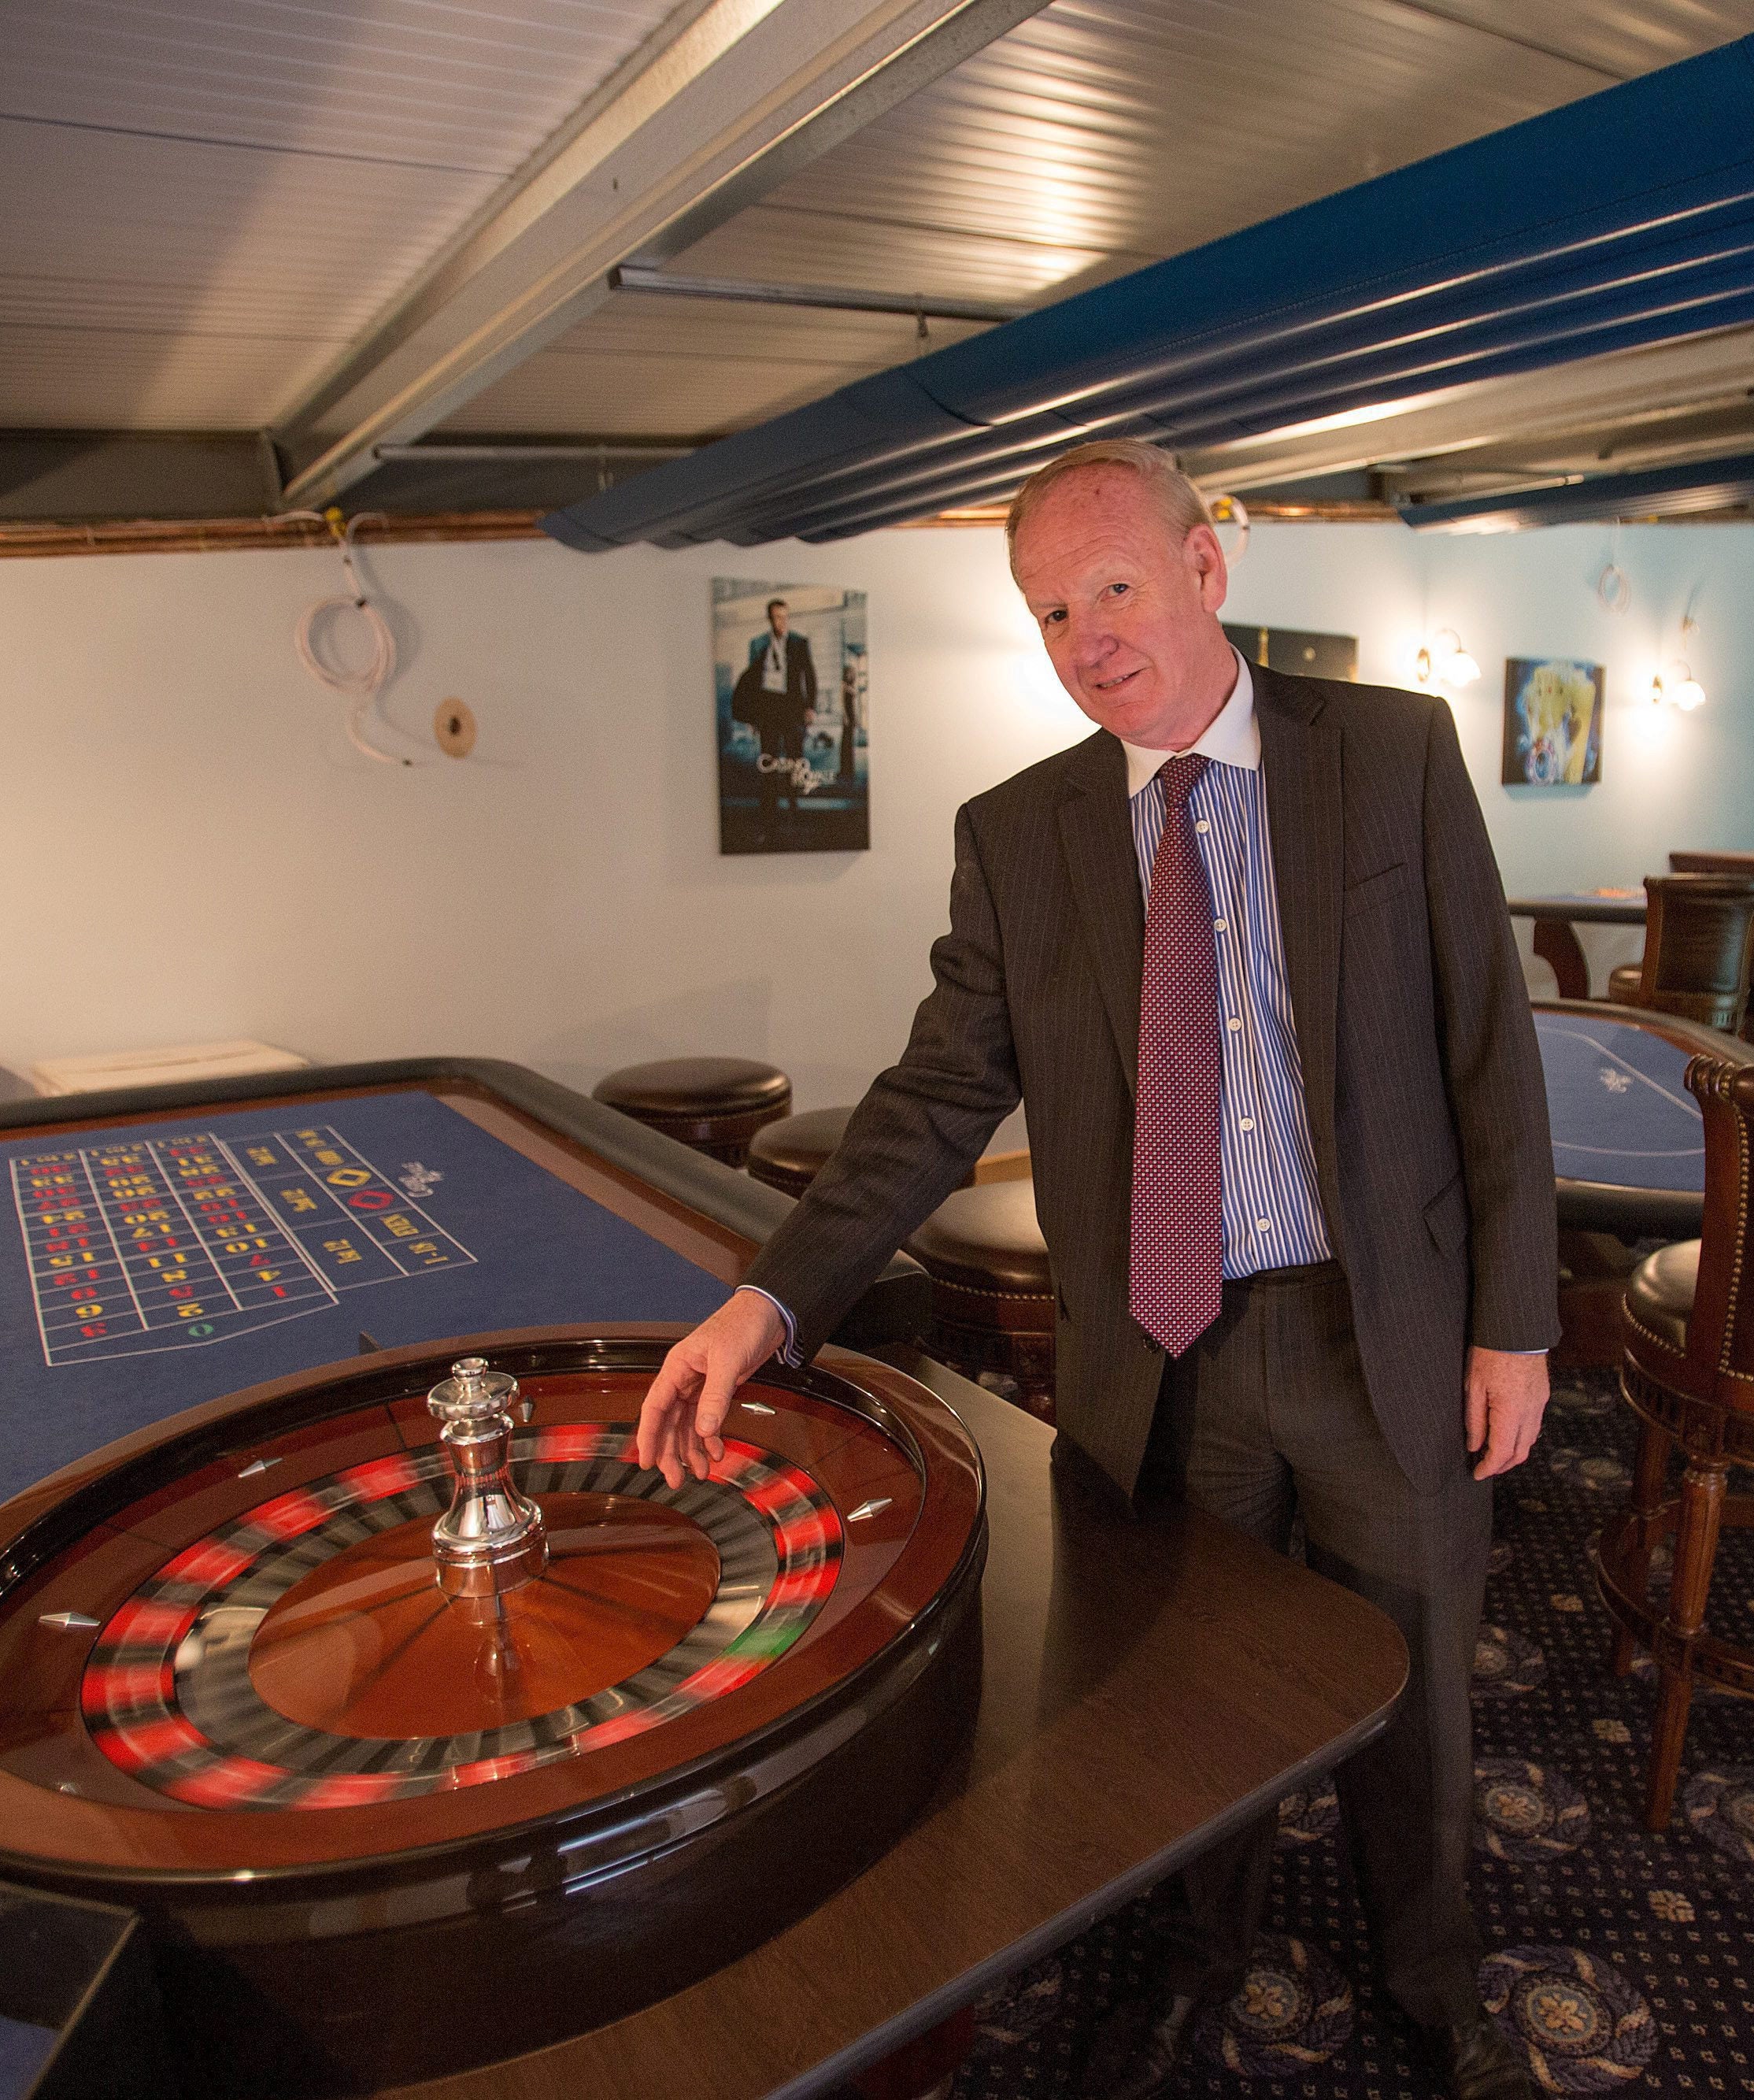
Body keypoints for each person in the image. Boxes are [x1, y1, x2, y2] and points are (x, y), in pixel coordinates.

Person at [635, 439, 1552, 2100]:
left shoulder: (1393, 756)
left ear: (1209, 571)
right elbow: (926, 1098)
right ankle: (1191, 1964)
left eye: (1112, 589)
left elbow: (1489, 1051)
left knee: (1410, 1707)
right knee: (1189, 1710)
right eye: (1051, 610)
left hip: (1381, 1334)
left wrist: (1515, 1324)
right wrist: (766, 1297)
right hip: (1165, 1354)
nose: (1085, 638)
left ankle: (1432, 1989)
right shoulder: (1021, 833)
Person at [733, 597, 817, 817]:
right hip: (767, 707)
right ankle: (769, 808)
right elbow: (752, 681)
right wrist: (752, 716)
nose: (781, 622)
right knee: (768, 759)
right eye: (777, 618)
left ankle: (793, 802)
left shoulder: (799, 643)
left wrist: (810, 707)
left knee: (793, 758)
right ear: (769, 618)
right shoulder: (758, 644)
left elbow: (809, 675)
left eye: (784, 617)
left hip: (791, 708)